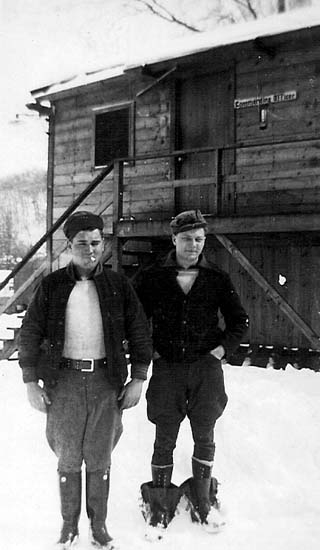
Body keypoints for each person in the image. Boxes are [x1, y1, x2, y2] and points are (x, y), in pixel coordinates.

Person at [18, 211, 152, 549]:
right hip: (63, 382)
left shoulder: (118, 286)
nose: (90, 250)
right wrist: (30, 380)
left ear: (103, 243)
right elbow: (30, 331)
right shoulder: (51, 285)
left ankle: (99, 527)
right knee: (67, 455)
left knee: (99, 454)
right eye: (82, 243)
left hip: (106, 381)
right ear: (69, 246)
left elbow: (139, 331)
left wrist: (138, 377)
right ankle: (68, 527)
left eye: (95, 243)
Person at [135, 209, 248, 535]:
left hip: (205, 371)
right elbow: (135, 319)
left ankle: (203, 501)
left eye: (199, 239)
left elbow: (239, 321)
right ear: (174, 239)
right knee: (165, 436)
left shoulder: (216, 278)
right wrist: (150, 350)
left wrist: (221, 351)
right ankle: (159, 506)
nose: (194, 245)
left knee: (205, 434)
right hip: (168, 369)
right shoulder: (153, 276)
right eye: (187, 239)